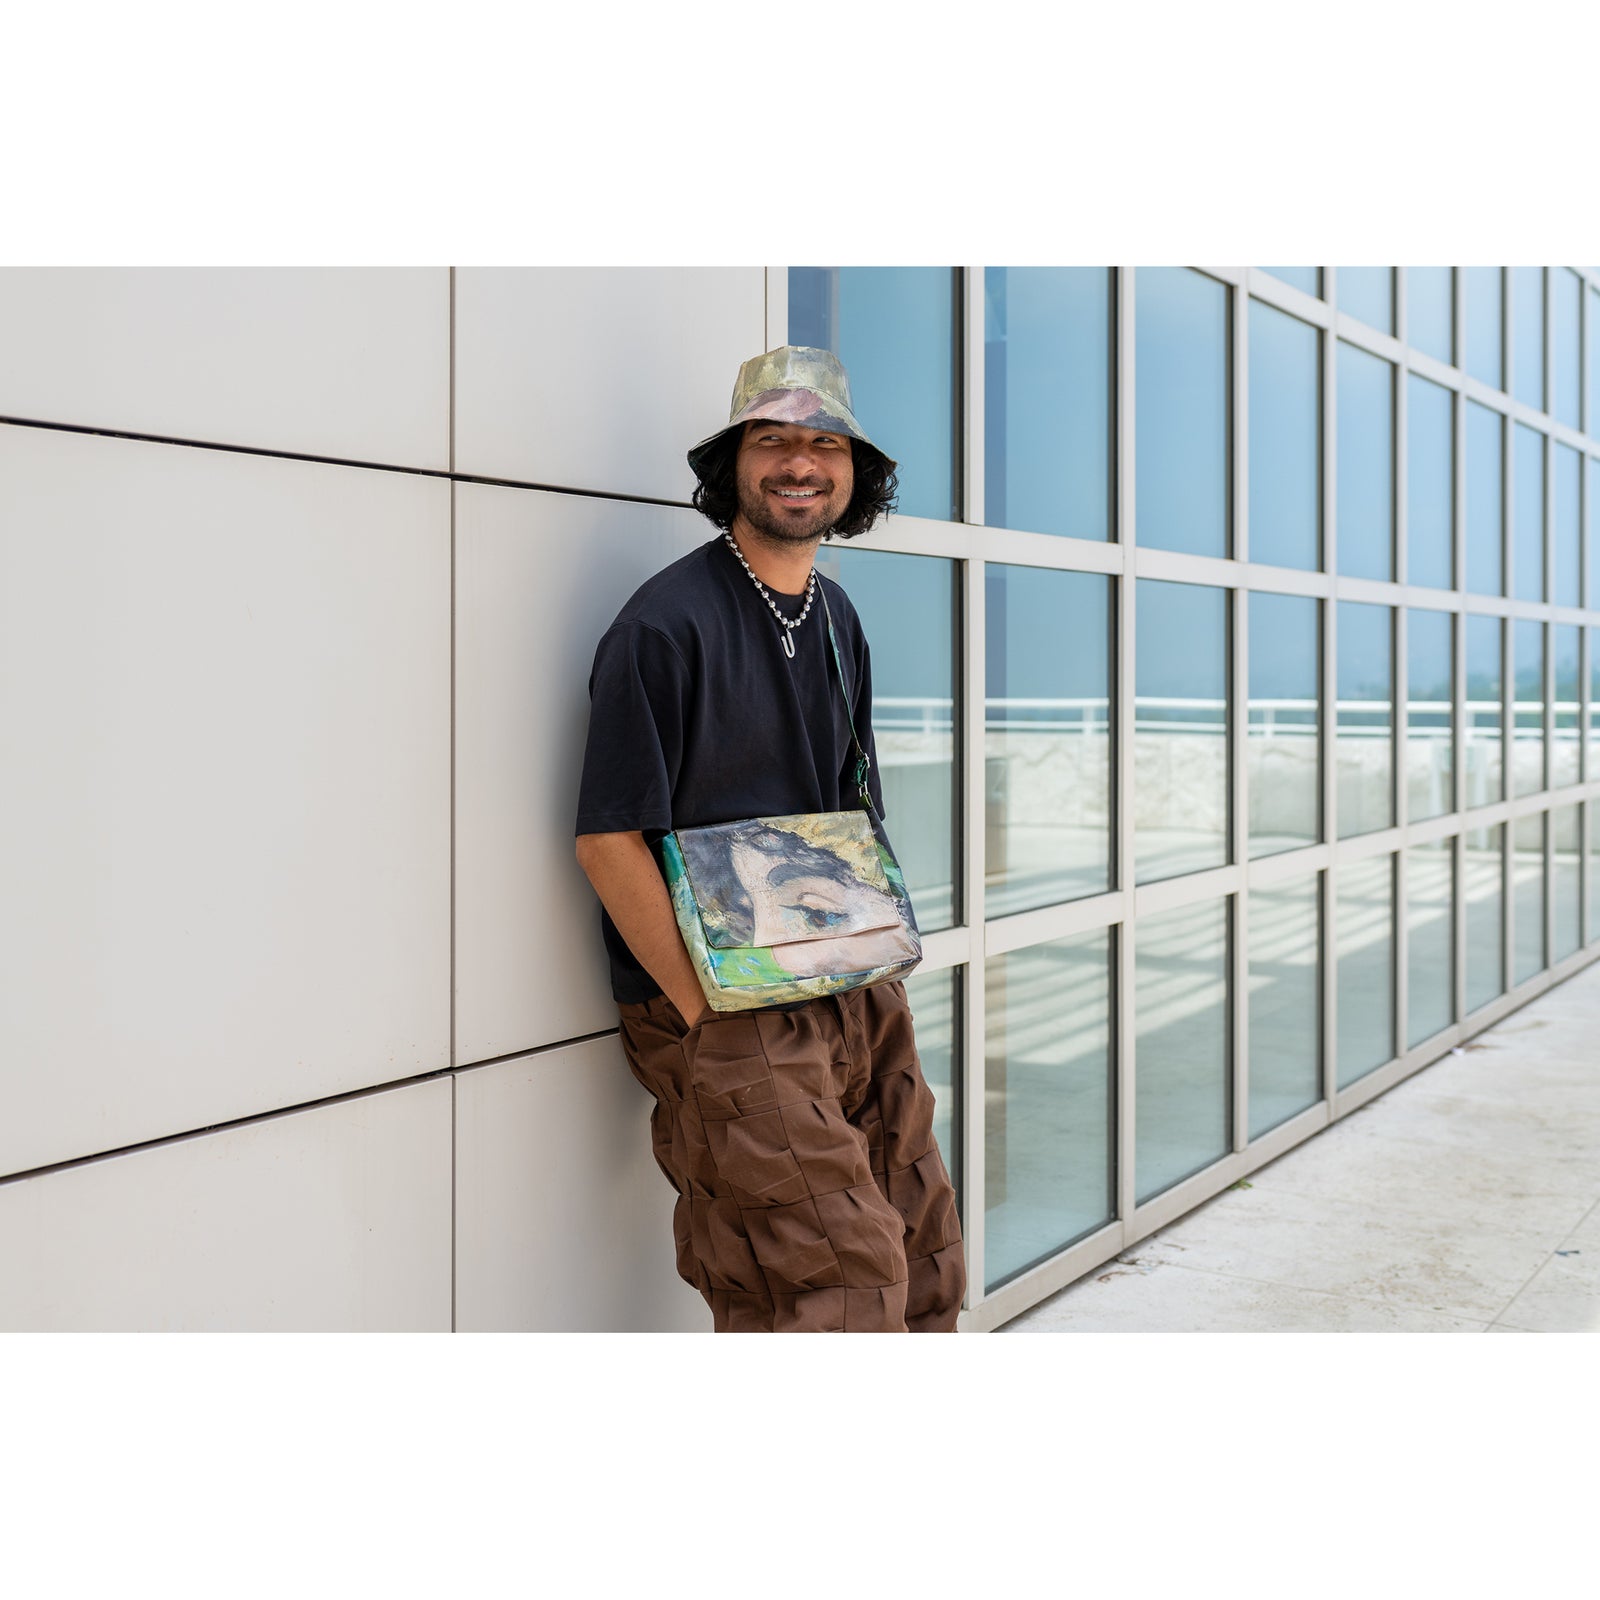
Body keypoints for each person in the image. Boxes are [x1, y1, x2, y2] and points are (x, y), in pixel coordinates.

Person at [574, 345, 966, 1333]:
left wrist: (875, 977)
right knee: (828, 1280)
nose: (800, 462)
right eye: (774, 440)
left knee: (922, 1250)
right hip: (723, 997)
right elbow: (607, 840)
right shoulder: (664, 625)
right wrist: (705, 1008)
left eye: (823, 443)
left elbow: (851, 807)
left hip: (845, 974)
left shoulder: (834, 614)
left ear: (854, 473)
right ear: (732, 466)